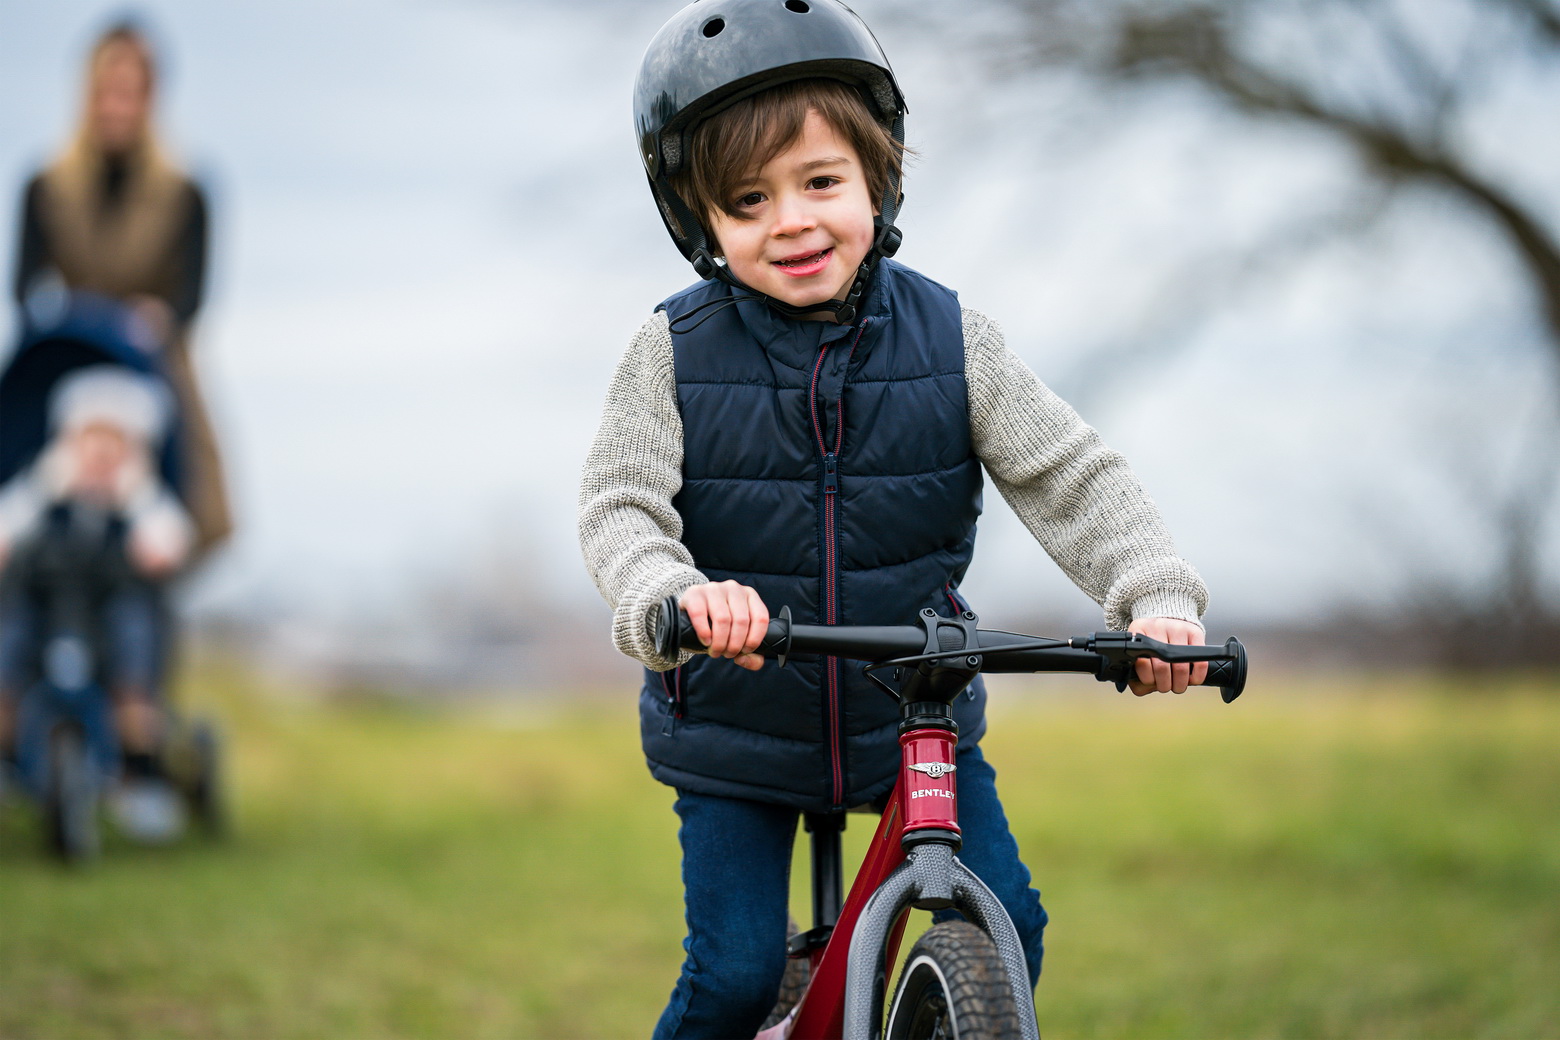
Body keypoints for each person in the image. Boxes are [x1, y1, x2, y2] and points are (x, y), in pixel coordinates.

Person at [577, 2, 1210, 1036]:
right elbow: (620, 508)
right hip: (738, 727)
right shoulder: (672, 351)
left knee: (1012, 923)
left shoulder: (956, 340)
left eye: (821, 182)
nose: (792, 219)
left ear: (880, 178)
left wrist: (1156, 596)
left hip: (909, 706)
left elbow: (1073, 476)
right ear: (701, 222)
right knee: (733, 974)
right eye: (748, 199)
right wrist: (674, 596)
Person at [12, 20, 230, 562]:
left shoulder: (185, 191)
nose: (118, 106)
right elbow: (23, 290)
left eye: (132, 92)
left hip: (152, 366)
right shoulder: (46, 185)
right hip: (69, 363)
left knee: (194, 512)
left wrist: (157, 317)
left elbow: (192, 299)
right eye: (108, 91)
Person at [0, 366, 193, 838]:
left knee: (134, 635)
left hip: (108, 611)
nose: (102, 454)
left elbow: (170, 537)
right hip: (45, 607)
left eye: (116, 443)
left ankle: (136, 761)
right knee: (10, 635)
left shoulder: (141, 500)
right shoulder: (40, 490)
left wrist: (153, 534)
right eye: (92, 439)